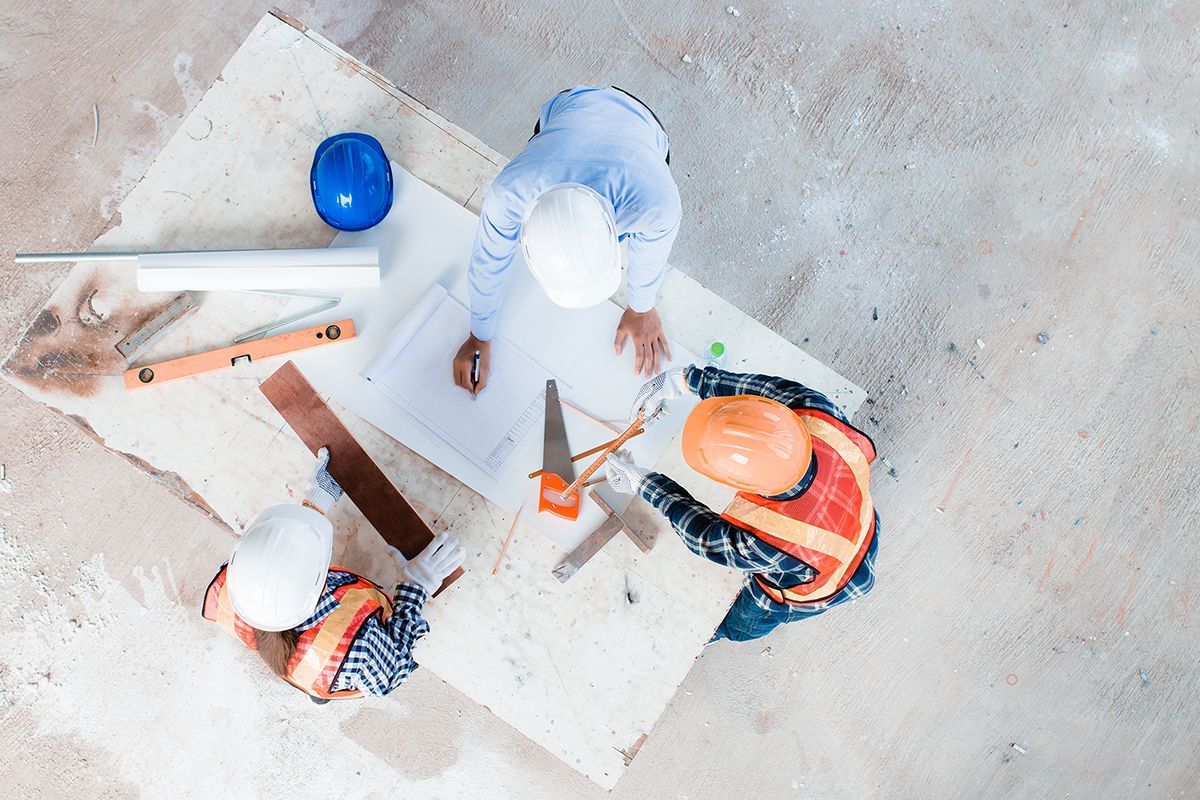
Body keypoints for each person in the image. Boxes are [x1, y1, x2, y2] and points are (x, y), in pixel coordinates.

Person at [603, 366, 879, 642]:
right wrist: (682, 381)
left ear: (748, 485)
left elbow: (704, 536)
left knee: (741, 623)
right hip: (860, 517)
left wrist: (643, 484)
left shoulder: (772, 540)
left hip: (832, 582)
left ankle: (718, 633)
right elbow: (760, 392)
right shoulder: (814, 411)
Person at [452, 85, 682, 394]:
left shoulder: (654, 201)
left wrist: (642, 309)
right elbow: (488, 260)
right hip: (570, 105)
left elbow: (650, 254)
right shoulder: (510, 192)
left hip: (643, 125)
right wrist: (479, 335)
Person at [202, 447, 465, 701]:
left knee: (315, 681)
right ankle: (322, 691)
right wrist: (415, 587)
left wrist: (320, 495)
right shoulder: (361, 653)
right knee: (334, 681)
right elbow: (394, 669)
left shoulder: (247, 579)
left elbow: (284, 551)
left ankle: (317, 689)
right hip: (339, 665)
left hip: (299, 659)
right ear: (318, 585)